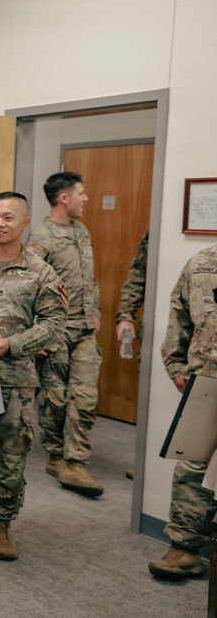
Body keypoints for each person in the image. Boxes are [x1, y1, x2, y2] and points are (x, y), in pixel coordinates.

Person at [0, 192, 66, 560]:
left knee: (11, 452)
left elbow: (54, 325)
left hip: (14, 379)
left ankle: (1, 524)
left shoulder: (41, 272)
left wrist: (10, 344)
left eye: (8, 218)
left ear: (25, 223)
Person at [26, 171, 105, 497]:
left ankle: (76, 461)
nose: (85, 199)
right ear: (64, 198)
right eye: (81, 193)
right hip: (57, 332)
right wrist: (35, 336)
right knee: (55, 400)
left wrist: (96, 310)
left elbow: (89, 277)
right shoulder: (41, 238)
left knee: (85, 397)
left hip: (85, 330)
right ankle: (56, 455)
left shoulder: (82, 231)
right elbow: (28, 288)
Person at [149, 244, 217, 579]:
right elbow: (178, 315)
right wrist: (176, 365)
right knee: (192, 466)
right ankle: (184, 549)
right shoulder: (201, 263)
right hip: (207, 384)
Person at [117, 230, 148, 480]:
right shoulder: (155, 233)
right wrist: (126, 316)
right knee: (152, 401)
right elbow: (138, 276)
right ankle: (148, 461)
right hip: (163, 334)